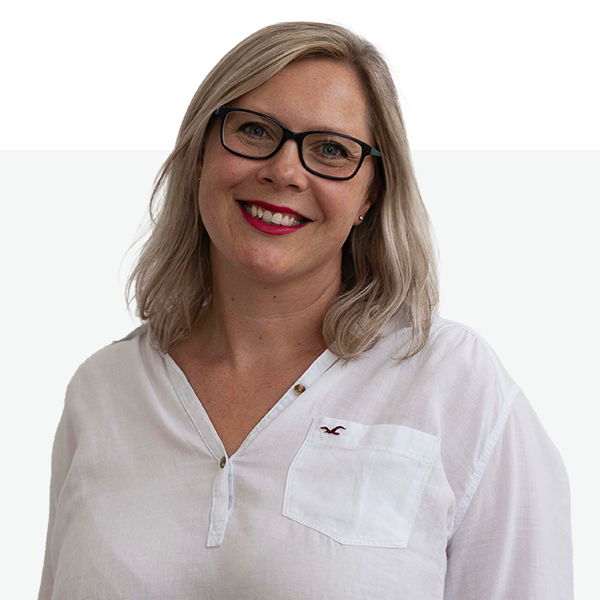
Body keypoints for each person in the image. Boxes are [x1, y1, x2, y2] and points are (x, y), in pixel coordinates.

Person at [37, 15, 574, 600]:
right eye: (253, 130)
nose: (284, 171)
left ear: (371, 194)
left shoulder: (454, 384)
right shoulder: (103, 391)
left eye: (331, 149)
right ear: (198, 154)